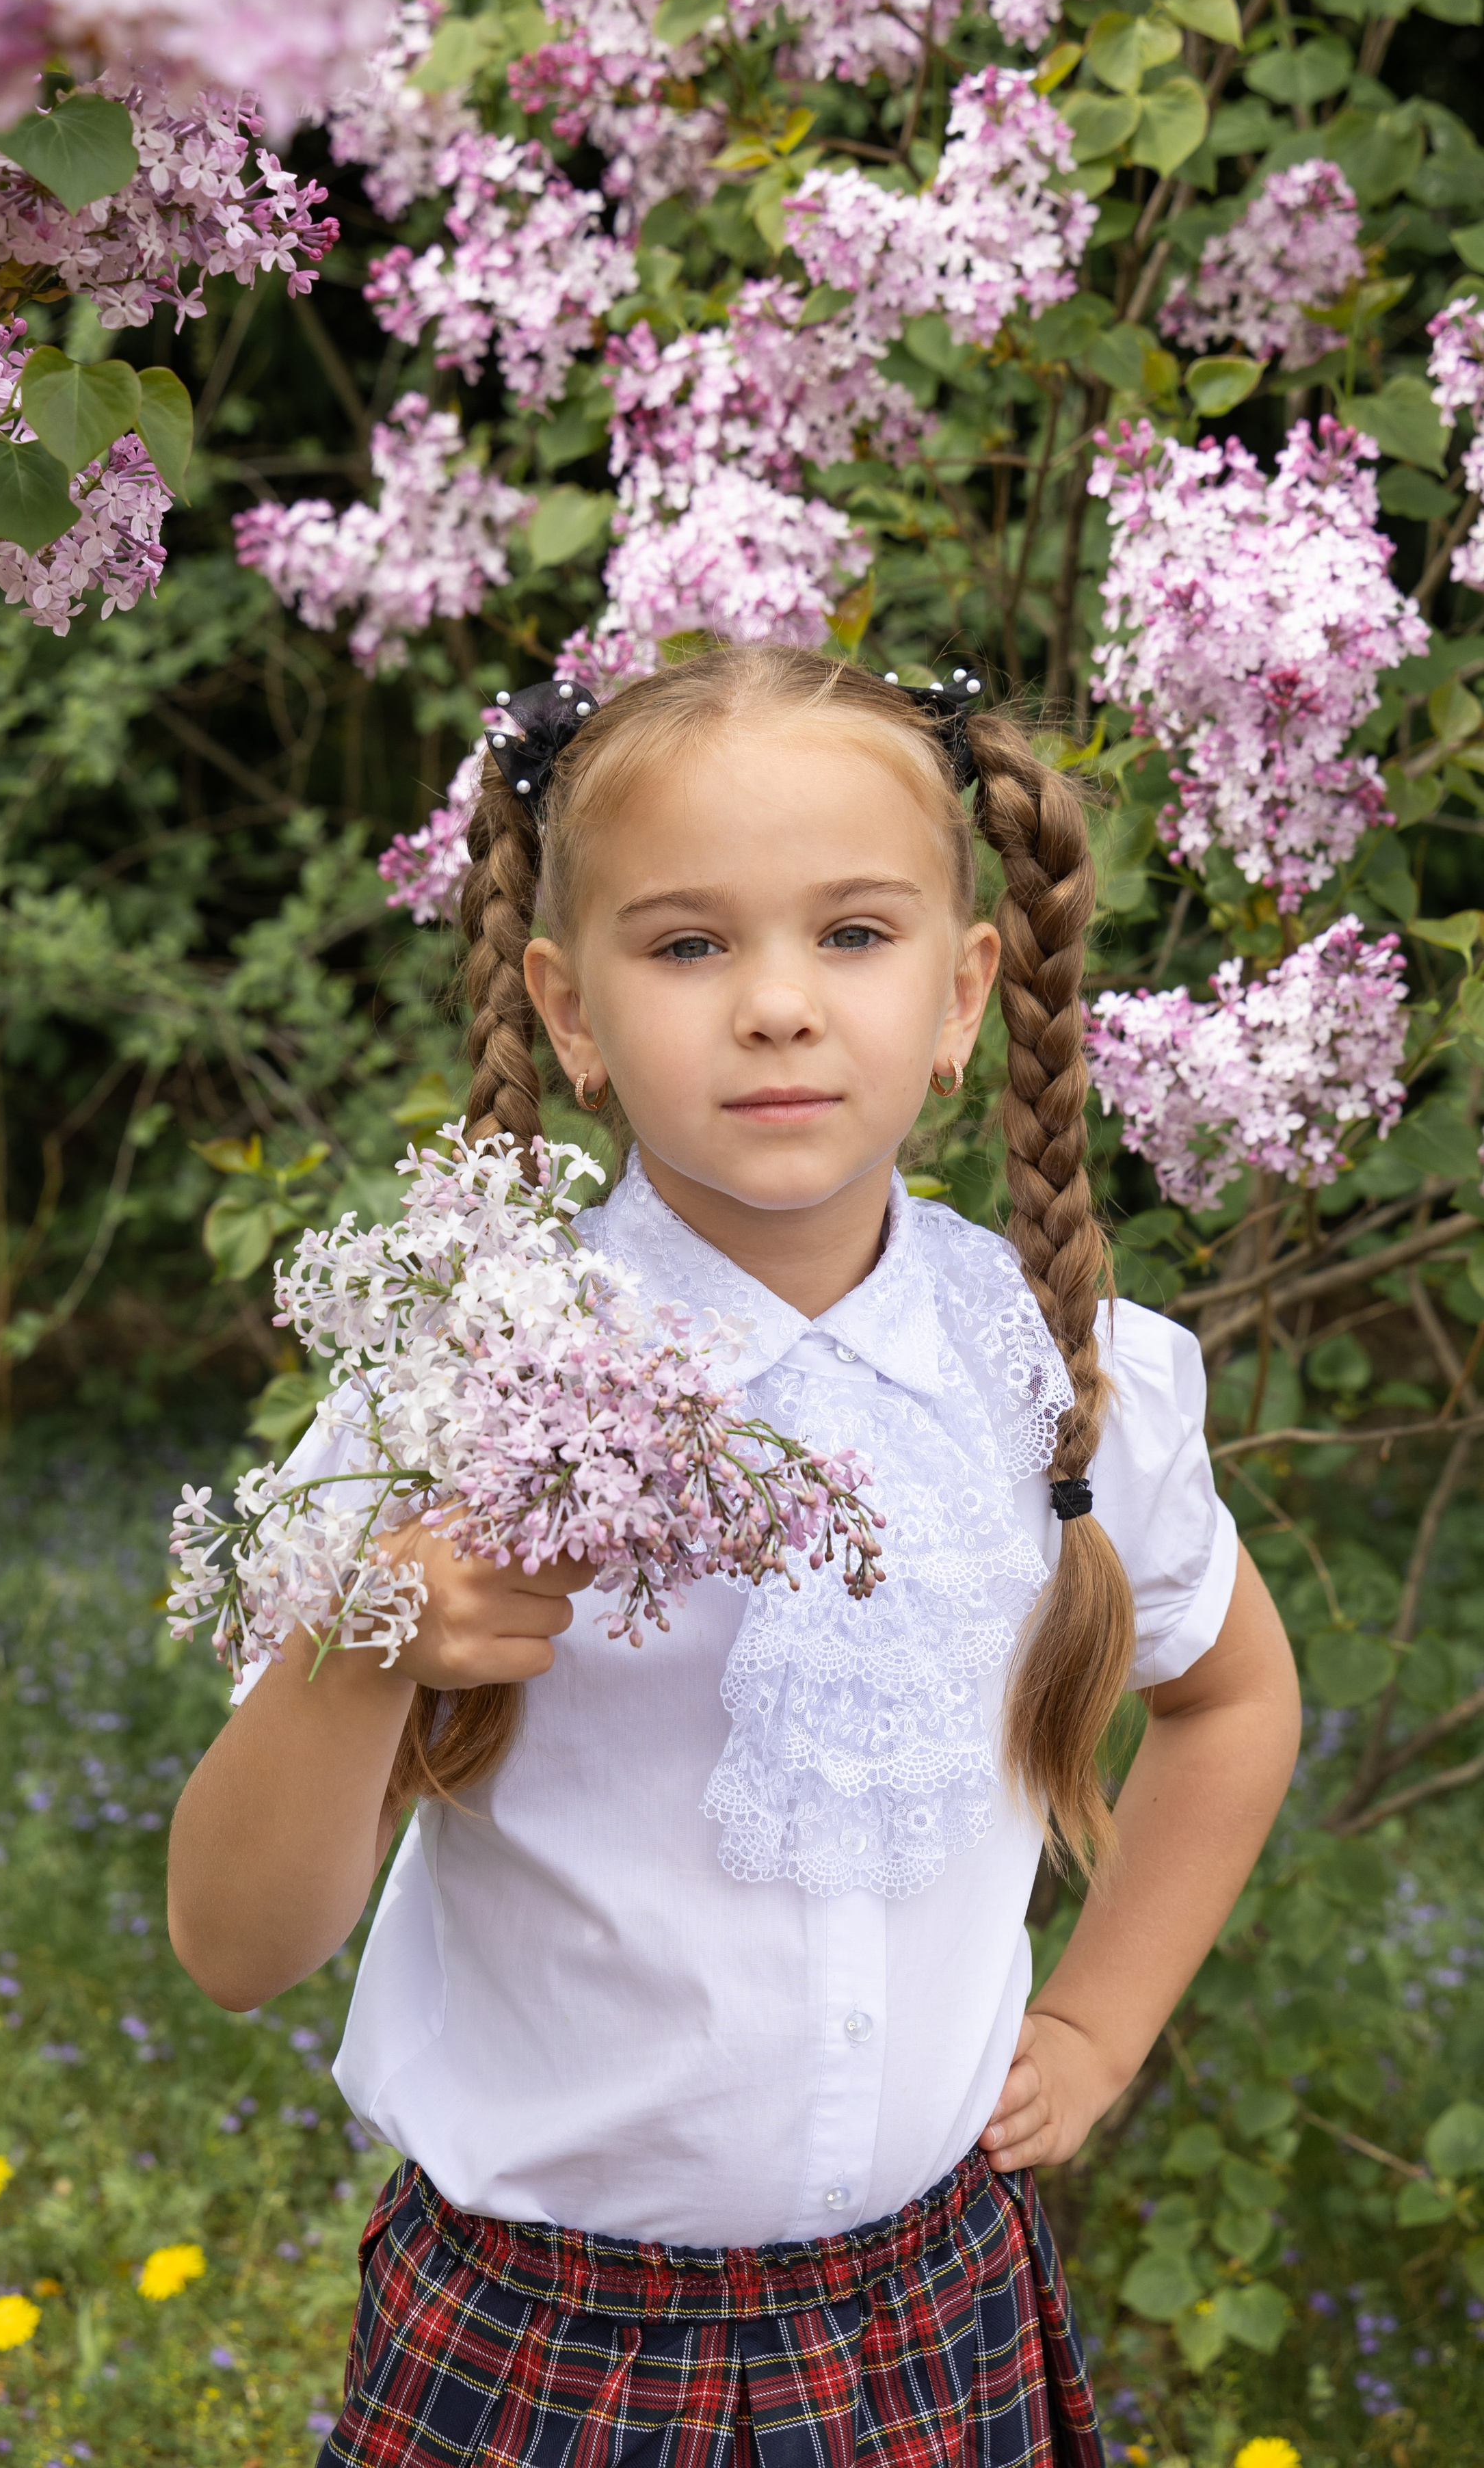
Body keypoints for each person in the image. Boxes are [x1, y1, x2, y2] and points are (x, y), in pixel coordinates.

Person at [168, 644, 1301, 2468]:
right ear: (570, 1008)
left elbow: (1232, 1699)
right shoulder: (471, 1387)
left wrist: (1093, 2027)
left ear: (963, 990)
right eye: (689, 945)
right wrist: (371, 1637)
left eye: (853, 935)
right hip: (544, 2344)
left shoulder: (1061, 1372)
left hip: (936, 2313)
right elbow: (235, 1944)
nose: (776, 1005)